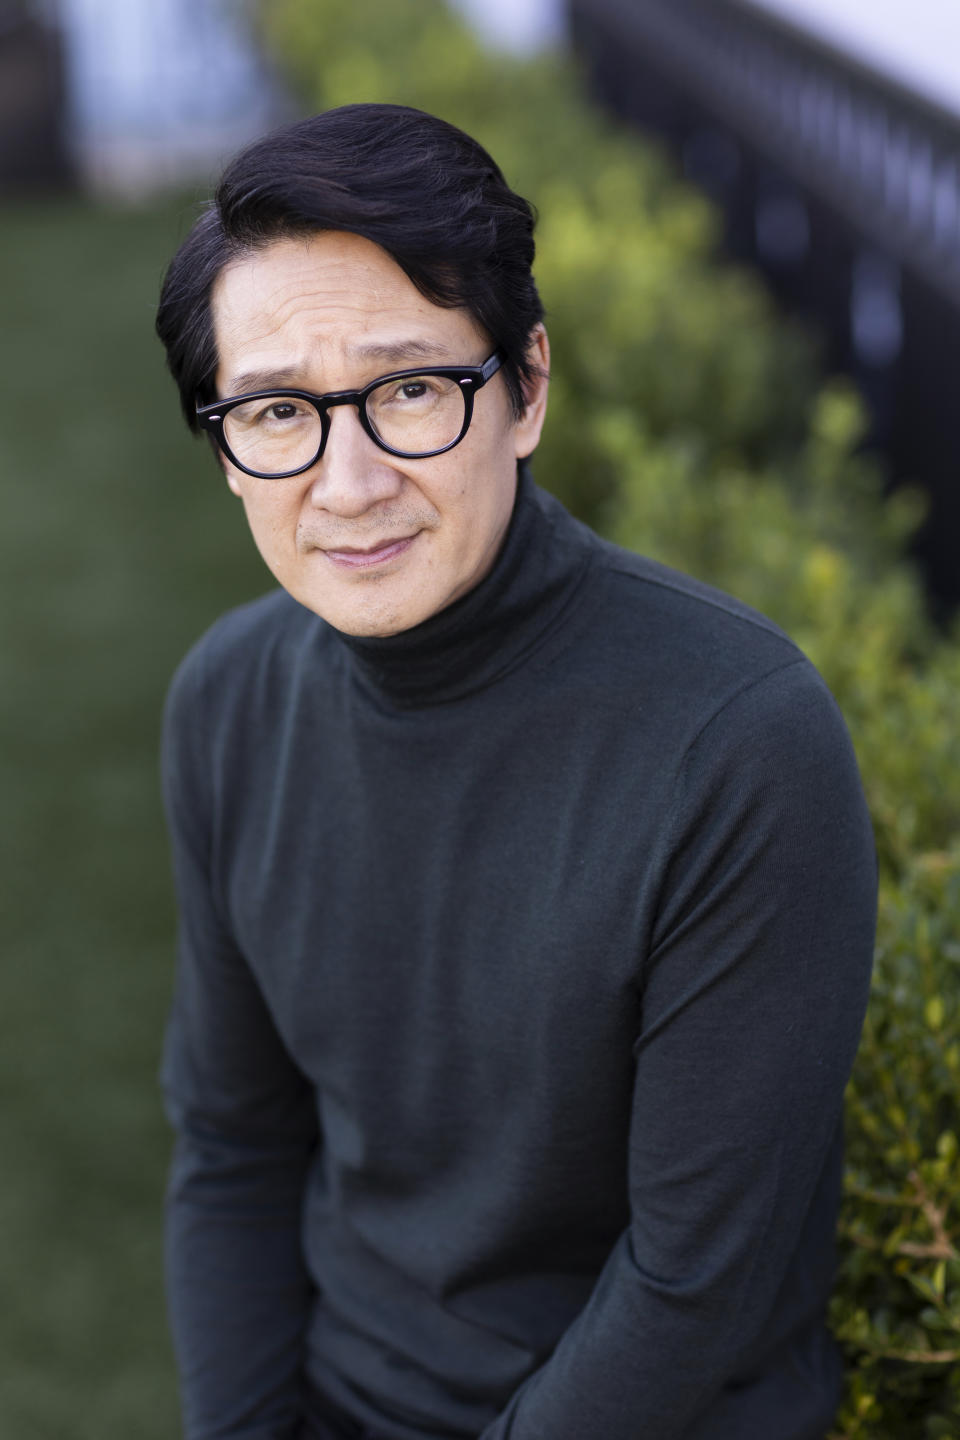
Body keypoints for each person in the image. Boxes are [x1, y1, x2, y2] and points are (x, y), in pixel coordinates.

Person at [155, 103, 877, 1440]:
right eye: (276, 411)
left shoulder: (738, 737)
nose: (348, 481)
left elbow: (691, 1283)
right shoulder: (230, 702)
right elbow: (235, 1147)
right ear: (226, 444)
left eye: (411, 388)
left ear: (528, 388)